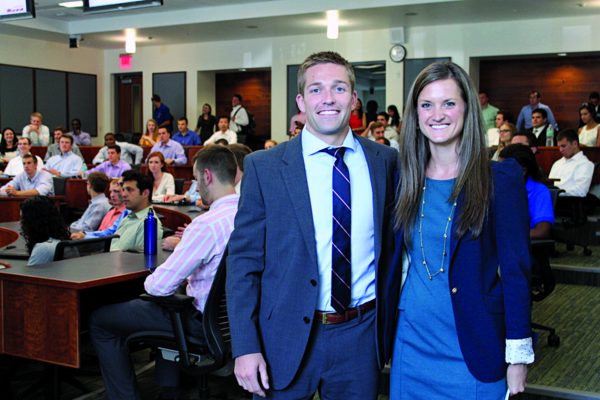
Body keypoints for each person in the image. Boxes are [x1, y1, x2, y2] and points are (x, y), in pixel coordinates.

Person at [227, 51, 398, 399]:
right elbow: (243, 263)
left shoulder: (384, 161)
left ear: (353, 98)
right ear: (301, 100)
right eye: (316, 89)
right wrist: (245, 346)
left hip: (360, 336)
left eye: (339, 88)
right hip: (284, 337)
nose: (328, 99)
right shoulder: (265, 167)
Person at [391, 61, 532, 399]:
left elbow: (516, 272)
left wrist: (518, 356)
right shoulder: (401, 180)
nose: (437, 114)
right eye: (427, 105)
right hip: (411, 349)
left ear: (467, 109)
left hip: (474, 349)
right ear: (415, 114)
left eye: (448, 103)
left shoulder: (500, 180)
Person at [90, 146, 239, 400]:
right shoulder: (250, 216)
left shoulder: (207, 224)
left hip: (200, 323)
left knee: (101, 320)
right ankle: (170, 389)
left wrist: (151, 278)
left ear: (207, 176)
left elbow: (158, 287)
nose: (194, 184)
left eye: (194, 178)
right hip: (233, 323)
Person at [499, 144, 554, 239]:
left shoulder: (539, 192)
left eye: (504, 169)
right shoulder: (499, 188)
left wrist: (509, 237)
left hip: (520, 246)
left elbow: (541, 231)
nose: (498, 172)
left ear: (523, 170)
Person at [109, 170, 163, 252]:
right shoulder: (128, 217)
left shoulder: (150, 224)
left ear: (145, 193)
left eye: (129, 190)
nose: (123, 194)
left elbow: (142, 262)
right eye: (123, 190)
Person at [20, 196, 70, 266]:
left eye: (23, 219)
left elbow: (29, 275)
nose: (20, 223)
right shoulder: (64, 241)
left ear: (32, 221)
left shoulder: (43, 248)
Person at [549, 129, 594, 197]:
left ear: (575, 144)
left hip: (569, 203)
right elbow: (550, 185)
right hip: (552, 200)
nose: (560, 150)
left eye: (563, 146)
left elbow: (581, 191)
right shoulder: (557, 163)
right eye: (559, 146)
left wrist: (557, 192)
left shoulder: (585, 164)